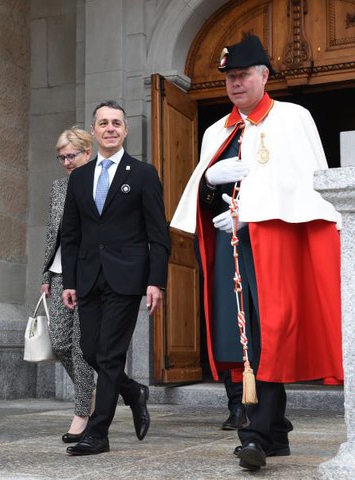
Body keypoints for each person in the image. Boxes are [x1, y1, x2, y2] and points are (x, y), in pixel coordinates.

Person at [171, 35, 343, 471]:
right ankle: (275, 432)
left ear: (264, 76)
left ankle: (256, 435)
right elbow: (203, 198)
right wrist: (211, 183)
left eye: (243, 74)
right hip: (231, 250)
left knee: (273, 332)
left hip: (277, 245)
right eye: (229, 76)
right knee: (242, 338)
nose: (235, 83)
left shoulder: (291, 118)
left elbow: (304, 183)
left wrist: (253, 213)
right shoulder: (217, 130)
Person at [61, 100, 170, 455]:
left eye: (116, 123)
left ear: (125, 130)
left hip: (127, 278)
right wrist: (70, 282)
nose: (110, 128)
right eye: (104, 123)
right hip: (89, 277)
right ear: (94, 130)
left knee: (109, 354)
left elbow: (158, 233)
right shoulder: (78, 178)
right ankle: (133, 391)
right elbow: (71, 234)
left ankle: (98, 432)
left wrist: (156, 281)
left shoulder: (142, 173)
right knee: (91, 351)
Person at [41, 127, 95, 443]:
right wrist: (46, 277)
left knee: (80, 346)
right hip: (61, 274)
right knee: (60, 342)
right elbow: (53, 234)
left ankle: (81, 413)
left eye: (70, 155)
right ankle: (90, 393)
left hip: (88, 275)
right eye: (61, 157)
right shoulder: (59, 187)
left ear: (87, 152)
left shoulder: (100, 185)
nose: (65, 162)